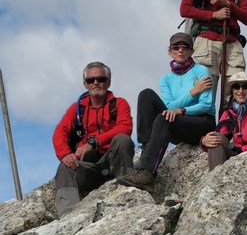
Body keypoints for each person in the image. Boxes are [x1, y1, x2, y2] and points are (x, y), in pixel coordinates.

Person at [117, 32, 215, 193]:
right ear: (170, 51)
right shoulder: (166, 79)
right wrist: (192, 92)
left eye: (185, 47)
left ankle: (147, 174)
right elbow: (169, 106)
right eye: (176, 47)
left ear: (192, 50)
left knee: (163, 119)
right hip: (178, 123)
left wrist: (182, 110)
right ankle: (147, 150)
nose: (180, 50)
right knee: (146, 94)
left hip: (202, 123)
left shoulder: (202, 71)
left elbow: (205, 105)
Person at [52, 62, 134, 217]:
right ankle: (67, 218)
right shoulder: (76, 109)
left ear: (108, 82)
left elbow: (125, 128)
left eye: (100, 79)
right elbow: (59, 132)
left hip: (112, 163)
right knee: (65, 166)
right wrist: (64, 154)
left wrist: (93, 142)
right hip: (89, 168)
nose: (96, 83)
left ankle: (127, 188)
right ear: (85, 84)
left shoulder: (119, 104)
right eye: (91, 80)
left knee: (122, 140)